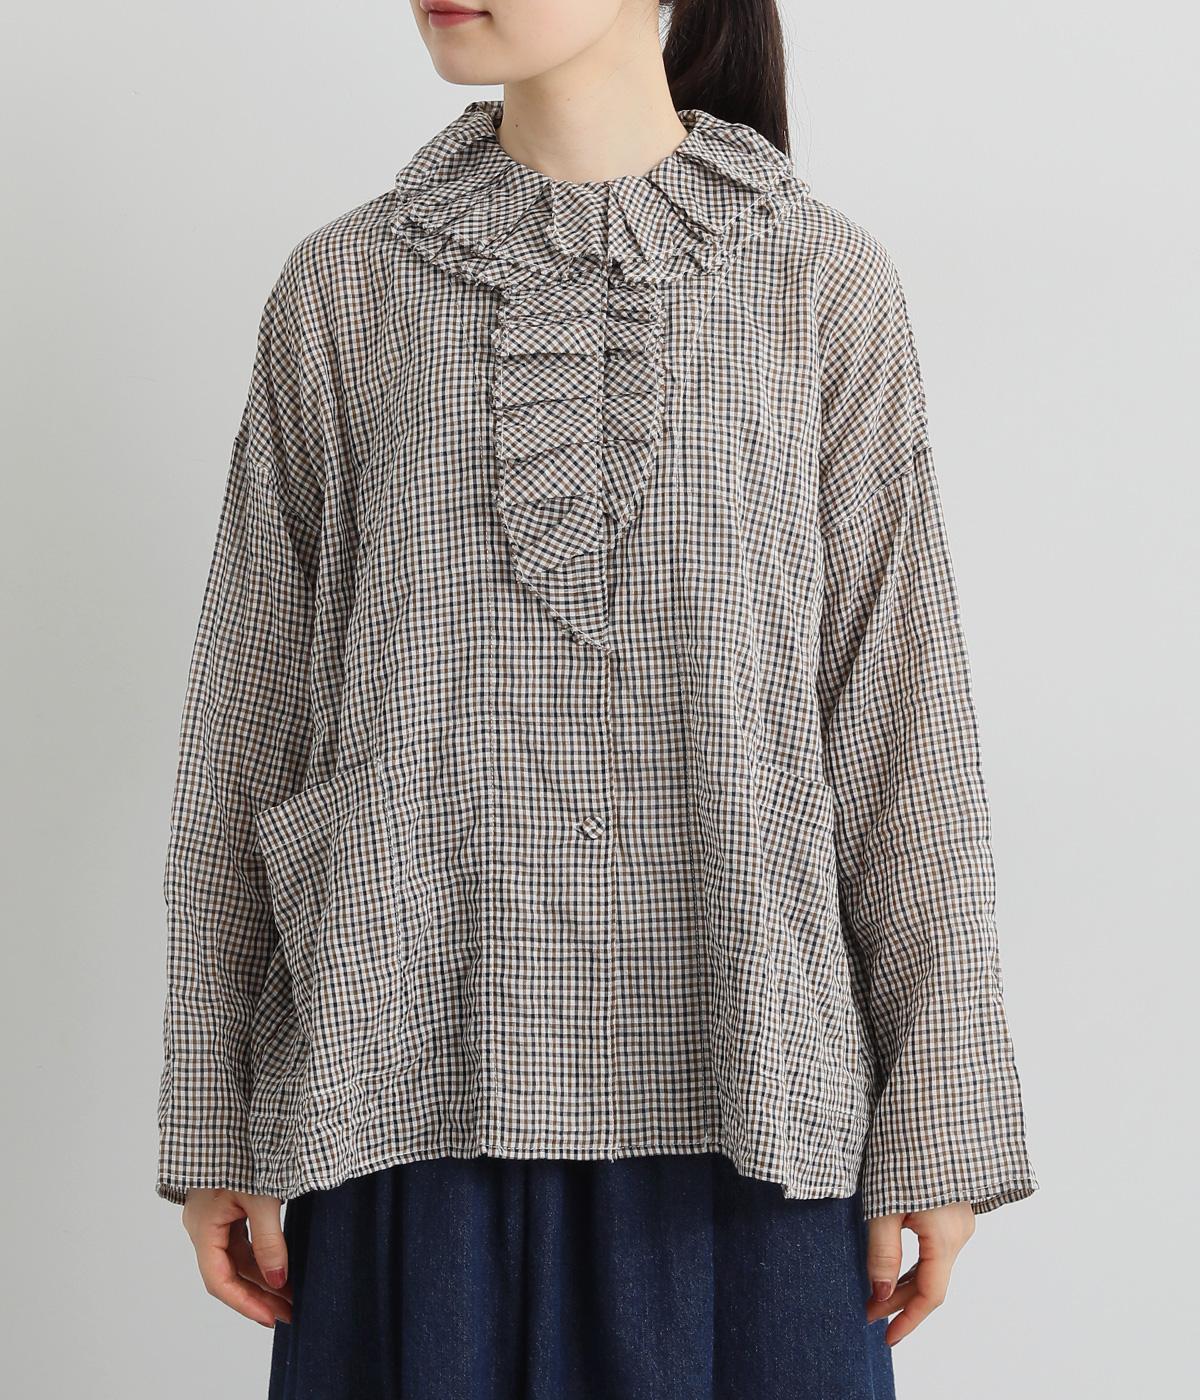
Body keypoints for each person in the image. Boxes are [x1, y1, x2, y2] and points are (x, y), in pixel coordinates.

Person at [156, 1, 1039, 1395]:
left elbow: (901, 721)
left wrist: (939, 1116)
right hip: (399, 1095)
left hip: (753, 1108)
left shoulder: (818, 279)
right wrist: (213, 1114)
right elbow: (245, 726)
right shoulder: (342, 288)